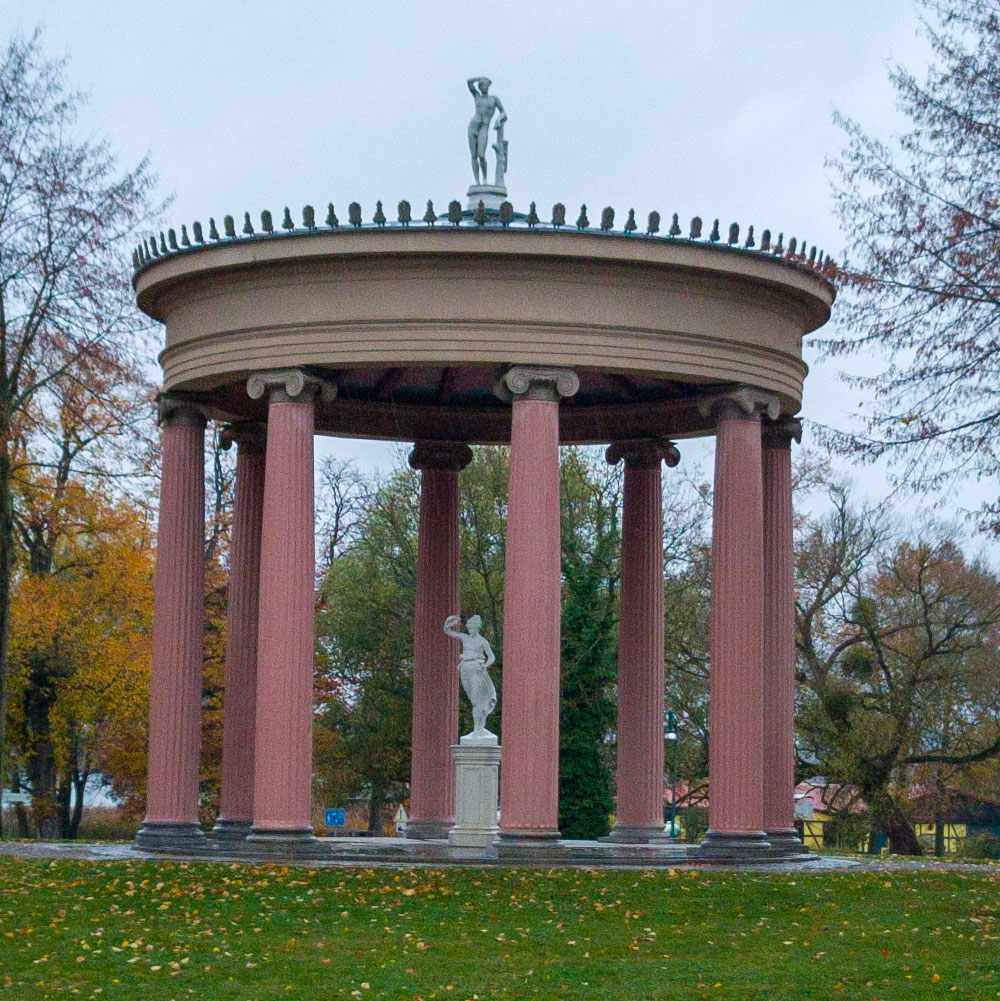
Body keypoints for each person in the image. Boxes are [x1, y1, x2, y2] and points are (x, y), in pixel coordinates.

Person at [444, 613, 497, 738]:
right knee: (473, 698)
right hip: (465, 670)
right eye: (469, 627)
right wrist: (448, 621)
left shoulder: (482, 641)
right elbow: (447, 631)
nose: (470, 629)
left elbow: (492, 657)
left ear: (477, 627)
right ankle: (478, 727)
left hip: (476, 670)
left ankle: (478, 727)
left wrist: (485, 665)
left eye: (472, 627)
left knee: (476, 699)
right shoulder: (465, 638)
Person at [467, 77, 506, 186]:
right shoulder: (477, 97)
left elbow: (503, 113)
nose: (483, 87)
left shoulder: (493, 99)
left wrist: (499, 119)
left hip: (484, 126)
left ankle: (484, 178)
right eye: (481, 85)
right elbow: (469, 82)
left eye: (485, 85)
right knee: (473, 155)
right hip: (473, 126)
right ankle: (477, 181)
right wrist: (480, 77)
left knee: (481, 154)